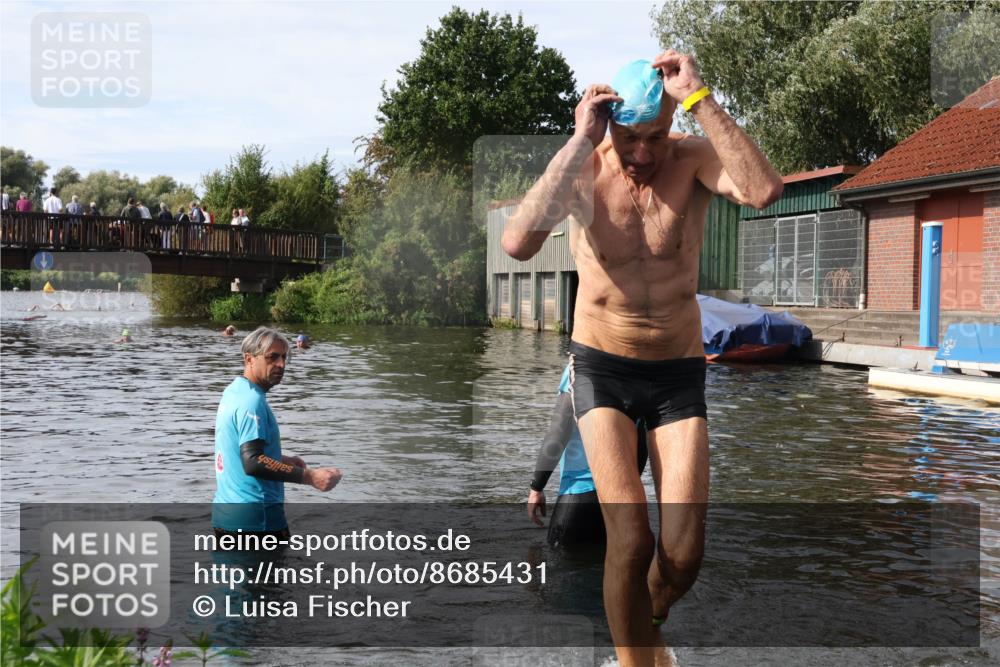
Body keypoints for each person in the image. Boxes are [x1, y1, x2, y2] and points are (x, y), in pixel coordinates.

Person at [502, 52, 782, 665]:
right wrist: (581, 139)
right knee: (629, 540)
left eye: (656, 136)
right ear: (609, 128)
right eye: (631, 139)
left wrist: (700, 99)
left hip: (678, 377)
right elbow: (518, 242)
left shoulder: (691, 157)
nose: (645, 153)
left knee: (682, 555)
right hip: (602, 367)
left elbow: (763, 190)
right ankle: (633, 661)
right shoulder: (585, 169)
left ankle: (647, 627)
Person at [212, 327, 342, 537]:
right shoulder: (251, 402)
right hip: (256, 524)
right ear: (249, 359)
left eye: (284, 357)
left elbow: (236, 451)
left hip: (226, 517)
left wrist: (282, 459)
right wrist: (310, 477)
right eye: (272, 357)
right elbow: (253, 461)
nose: (281, 364)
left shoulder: (233, 392)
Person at [529, 364, 647, 548]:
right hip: (621, 499)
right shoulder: (639, 372)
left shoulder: (581, 366)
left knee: (559, 568)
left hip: (579, 496)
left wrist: (537, 487)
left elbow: (558, 433)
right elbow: (642, 446)